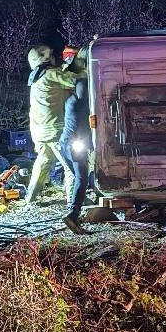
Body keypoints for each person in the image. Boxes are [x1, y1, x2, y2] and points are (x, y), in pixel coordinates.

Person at [24, 45, 85, 204]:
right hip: (54, 130)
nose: (53, 58)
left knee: (43, 162)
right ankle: (74, 202)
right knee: (71, 166)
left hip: (39, 130)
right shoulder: (52, 74)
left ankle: (30, 198)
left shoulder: (35, 77)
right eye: (50, 55)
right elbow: (77, 81)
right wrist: (86, 67)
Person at [60, 76, 93, 234]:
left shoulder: (70, 100)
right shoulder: (81, 103)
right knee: (82, 179)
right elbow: (83, 127)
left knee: (80, 179)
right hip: (74, 145)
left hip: (65, 144)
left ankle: (74, 211)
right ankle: (72, 215)